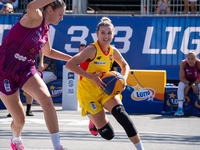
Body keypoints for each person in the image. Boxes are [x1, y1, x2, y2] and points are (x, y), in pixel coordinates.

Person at [0, 0, 72, 149]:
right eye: (61, 14)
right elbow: (31, 6)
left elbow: (49, 52)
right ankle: (16, 139)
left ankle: (57, 146)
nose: (62, 18)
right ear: (50, 10)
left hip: (26, 69)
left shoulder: (45, 30)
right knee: (20, 119)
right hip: (4, 70)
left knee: (47, 100)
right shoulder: (35, 17)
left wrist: (74, 59)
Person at [66, 17, 144, 150]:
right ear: (97, 35)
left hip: (105, 89)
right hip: (88, 94)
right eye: (102, 33)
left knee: (121, 114)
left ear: (113, 35)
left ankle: (140, 148)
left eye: (109, 33)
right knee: (108, 134)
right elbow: (70, 64)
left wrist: (123, 78)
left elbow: (125, 65)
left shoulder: (113, 51)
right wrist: (91, 77)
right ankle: (93, 120)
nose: (106, 36)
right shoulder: (91, 50)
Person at [174, 50, 200, 116]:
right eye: (188, 59)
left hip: (197, 82)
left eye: (192, 58)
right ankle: (180, 109)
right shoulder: (183, 63)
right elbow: (181, 78)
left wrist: (192, 85)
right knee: (180, 84)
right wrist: (190, 85)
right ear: (186, 59)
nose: (190, 60)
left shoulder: (198, 63)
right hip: (187, 82)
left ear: (196, 59)